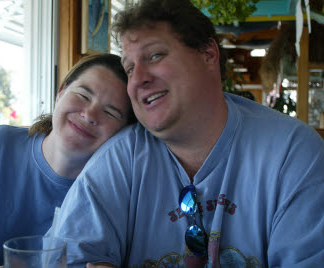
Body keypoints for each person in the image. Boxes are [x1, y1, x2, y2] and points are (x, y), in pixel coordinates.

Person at [51, 0, 324, 267]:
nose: (137, 80)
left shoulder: (292, 153)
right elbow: (68, 258)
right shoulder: (120, 159)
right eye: (130, 68)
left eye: (155, 56)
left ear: (208, 54)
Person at [0, 53, 136, 267]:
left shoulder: (111, 195)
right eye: (83, 95)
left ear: (125, 132)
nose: (90, 114)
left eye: (110, 112)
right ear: (60, 93)